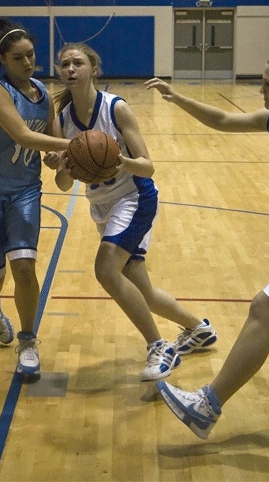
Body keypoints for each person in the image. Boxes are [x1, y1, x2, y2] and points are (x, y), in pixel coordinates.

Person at [146, 39, 269, 439]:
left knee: (264, 306)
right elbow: (224, 121)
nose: (260, 90)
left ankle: (205, 407)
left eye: (266, 84)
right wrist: (177, 98)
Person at [50, 42, 217, 382]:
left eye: (77, 63)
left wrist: (118, 159)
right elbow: (64, 185)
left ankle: (159, 346)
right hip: (102, 206)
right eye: (64, 64)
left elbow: (148, 166)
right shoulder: (62, 120)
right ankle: (198, 329)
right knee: (144, 292)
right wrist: (63, 164)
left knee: (106, 270)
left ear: (93, 69)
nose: (70, 69)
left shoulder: (116, 109)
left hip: (135, 198)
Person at [0, 17, 70, 377]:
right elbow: (24, 136)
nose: (27, 63)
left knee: (24, 267)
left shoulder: (43, 95)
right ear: (3, 60)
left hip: (25, 189)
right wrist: (76, 144)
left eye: (31, 55)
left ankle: (28, 340)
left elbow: (54, 158)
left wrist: (62, 160)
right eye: (19, 58)